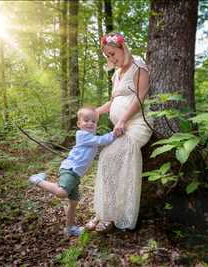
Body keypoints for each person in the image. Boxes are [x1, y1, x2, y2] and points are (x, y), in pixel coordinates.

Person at [86, 32, 152, 232]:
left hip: (138, 124)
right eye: (108, 56)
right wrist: (96, 111)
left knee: (112, 157)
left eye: (113, 54)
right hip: (121, 127)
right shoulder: (116, 74)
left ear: (124, 49)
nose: (111, 59)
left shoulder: (139, 66)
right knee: (106, 159)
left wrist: (122, 119)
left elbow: (140, 97)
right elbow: (114, 100)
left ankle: (115, 216)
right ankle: (102, 212)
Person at [29, 107, 116, 237]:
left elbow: (98, 144)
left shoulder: (91, 137)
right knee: (62, 193)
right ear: (79, 124)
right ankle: (37, 179)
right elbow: (101, 141)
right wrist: (115, 133)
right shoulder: (82, 136)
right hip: (70, 169)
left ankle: (69, 229)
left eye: (93, 121)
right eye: (86, 120)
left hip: (76, 175)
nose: (90, 123)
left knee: (74, 203)